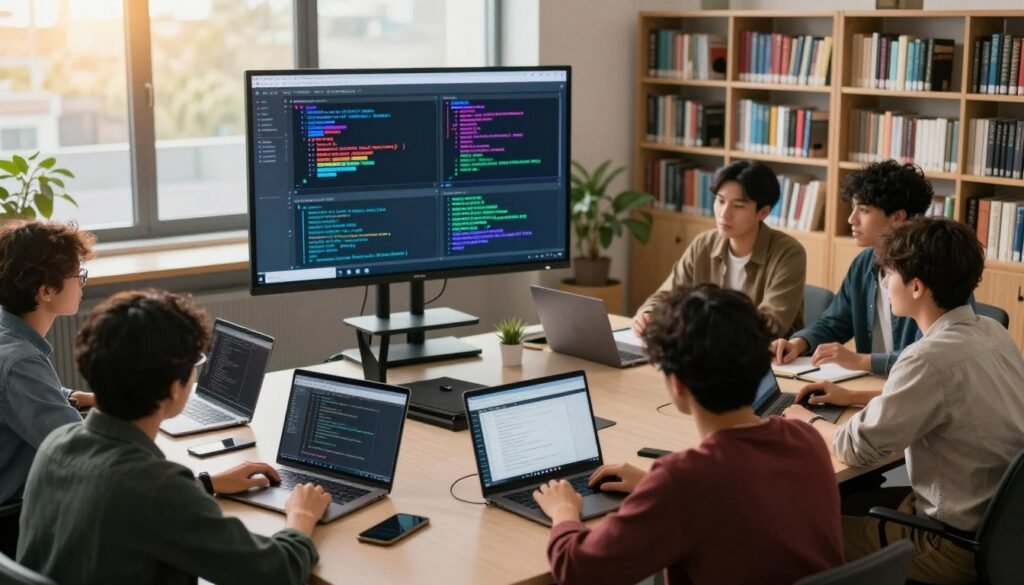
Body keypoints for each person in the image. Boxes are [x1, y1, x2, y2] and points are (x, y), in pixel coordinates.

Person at [17, 290, 332, 585]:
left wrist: (205, 484)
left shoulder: (56, 444)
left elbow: (127, 502)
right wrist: (301, 518)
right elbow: (275, 572)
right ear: (173, 388)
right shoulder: (156, 488)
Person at [535, 284, 843, 585]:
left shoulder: (683, 481)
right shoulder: (805, 438)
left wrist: (563, 510)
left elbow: (577, 570)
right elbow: (736, 503)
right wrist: (651, 488)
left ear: (677, 385)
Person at [785, 218, 1024, 585]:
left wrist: (805, 419)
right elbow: (949, 398)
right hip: (1000, 530)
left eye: (889, 274)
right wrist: (854, 397)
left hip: (947, 543)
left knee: (792, 529)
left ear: (916, 286)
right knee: (830, 504)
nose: (883, 283)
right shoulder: (992, 332)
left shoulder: (927, 358)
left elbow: (855, 448)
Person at [771, 160, 934, 389]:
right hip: (873, 385)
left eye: (864, 210)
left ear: (898, 217)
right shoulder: (865, 263)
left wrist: (860, 361)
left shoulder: (935, 271)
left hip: (913, 390)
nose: (851, 219)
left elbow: (930, 358)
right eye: (853, 208)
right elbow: (835, 323)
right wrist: (799, 343)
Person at [632, 160, 807, 339]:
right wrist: (649, 313)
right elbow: (665, 296)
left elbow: (770, 324)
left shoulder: (788, 253)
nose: (724, 214)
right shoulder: (704, 244)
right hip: (704, 351)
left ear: (763, 212)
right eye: (720, 201)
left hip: (766, 358)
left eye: (738, 206)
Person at [0, 220, 96, 506]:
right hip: (12, 518)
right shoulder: (21, 362)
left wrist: (73, 398)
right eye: (77, 275)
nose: (81, 283)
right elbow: (81, 453)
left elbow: (16, 399)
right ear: (45, 291)